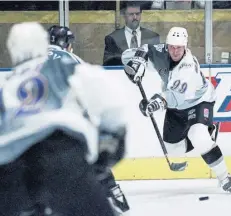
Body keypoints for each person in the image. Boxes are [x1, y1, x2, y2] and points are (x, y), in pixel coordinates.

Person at [0, 22, 128, 216]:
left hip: (11, 167)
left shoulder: (8, 84)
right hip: (59, 154)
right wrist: (111, 142)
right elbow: (108, 97)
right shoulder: (65, 62)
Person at [121, 26, 231, 193]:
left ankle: (225, 178)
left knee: (199, 137)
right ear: (167, 45)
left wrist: (153, 104)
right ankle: (202, 133)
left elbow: (173, 97)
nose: (175, 51)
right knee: (176, 158)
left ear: (186, 46)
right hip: (176, 108)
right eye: (172, 47)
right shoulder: (163, 51)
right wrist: (138, 62)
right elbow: (143, 50)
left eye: (179, 47)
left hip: (198, 102)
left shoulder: (187, 68)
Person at [47, 24, 130, 214]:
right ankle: (112, 192)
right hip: (66, 125)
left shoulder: (31, 62)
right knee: (89, 155)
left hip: (32, 130)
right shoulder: (71, 59)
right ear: (66, 44)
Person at [103, 1, 160, 66]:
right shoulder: (112, 38)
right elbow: (107, 65)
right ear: (124, 15)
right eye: (131, 14)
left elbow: (158, 65)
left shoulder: (153, 37)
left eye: (137, 14)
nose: (135, 17)